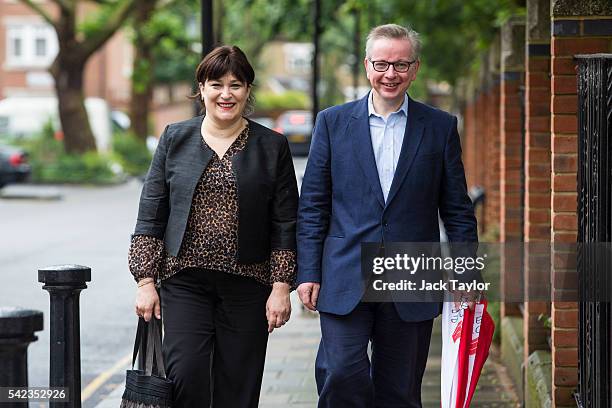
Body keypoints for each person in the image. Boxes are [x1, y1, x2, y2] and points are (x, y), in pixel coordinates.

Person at [296, 24, 478, 407]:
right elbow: (313, 204)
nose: (390, 74)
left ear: (415, 68)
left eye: (400, 64)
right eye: (381, 64)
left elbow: (457, 208)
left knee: (400, 390)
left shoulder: (440, 127)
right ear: (367, 66)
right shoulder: (332, 122)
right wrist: (308, 272)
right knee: (341, 372)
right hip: (344, 273)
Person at [128, 45, 298, 408]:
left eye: (236, 85)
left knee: (239, 385)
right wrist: (145, 282)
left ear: (248, 91)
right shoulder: (175, 138)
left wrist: (281, 286)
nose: (226, 94)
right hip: (185, 281)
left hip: (249, 285)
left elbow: (285, 222)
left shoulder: (273, 146)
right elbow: (151, 215)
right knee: (185, 376)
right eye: (216, 84)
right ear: (201, 88)